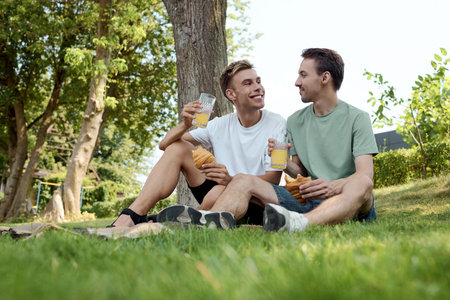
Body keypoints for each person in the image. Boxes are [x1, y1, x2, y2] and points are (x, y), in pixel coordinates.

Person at [197, 48, 378, 232]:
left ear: (324, 78)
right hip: (308, 200)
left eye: (303, 75)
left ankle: (300, 223)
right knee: (244, 179)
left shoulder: (357, 118)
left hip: (348, 201)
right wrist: (284, 163)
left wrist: (332, 187)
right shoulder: (295, 121)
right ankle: (206, 226)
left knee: (363, 183)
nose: (296, 82)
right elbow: (298, 171)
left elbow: (365, 173)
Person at [109, 60, 286, 228]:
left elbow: (274, 179)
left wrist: (233, 180)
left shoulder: (277, 123)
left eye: (258, 81)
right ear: (231, 94)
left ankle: (180, 220)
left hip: (252, 199)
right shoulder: (220, 124)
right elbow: (166, 145)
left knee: (218, 192)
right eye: (248, 83)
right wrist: (185, 124)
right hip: (216, 190)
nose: (258, 87)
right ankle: (133, 214)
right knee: (178, 147)